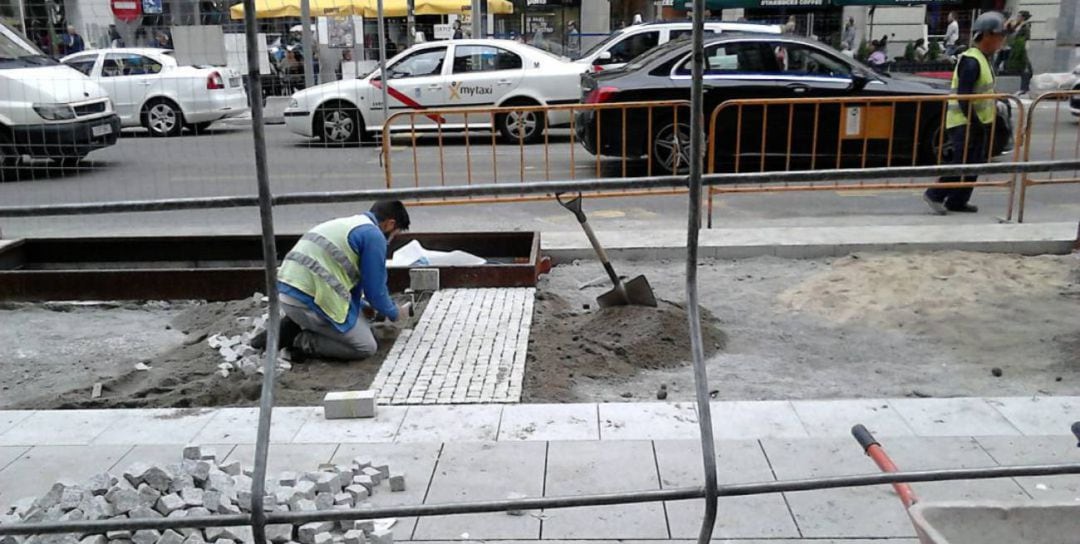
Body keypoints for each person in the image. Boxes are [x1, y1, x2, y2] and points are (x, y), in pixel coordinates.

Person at [256, 201, 410, 361]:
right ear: (390, 224)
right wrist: (394, 313)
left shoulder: (350, 224)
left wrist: (362, 307)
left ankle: (294, 325)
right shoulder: (374, 236)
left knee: (359, 320)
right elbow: (375, 292)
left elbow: (340, 280)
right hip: (305, 301)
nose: (391, 240)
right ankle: (301, 341)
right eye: (395, 234)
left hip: (287, 292)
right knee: (366, 346)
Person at [924, 11, 1006, 215]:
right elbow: (964, 97)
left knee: (974, 164)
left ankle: (957, 200)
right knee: (961, 162)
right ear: (987, 36)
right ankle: (935, 194)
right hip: (964, 121)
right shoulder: (971, 61)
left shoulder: (984, 58)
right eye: (999, 36)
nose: (1001, 41)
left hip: (978, 121)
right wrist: (974, 124)